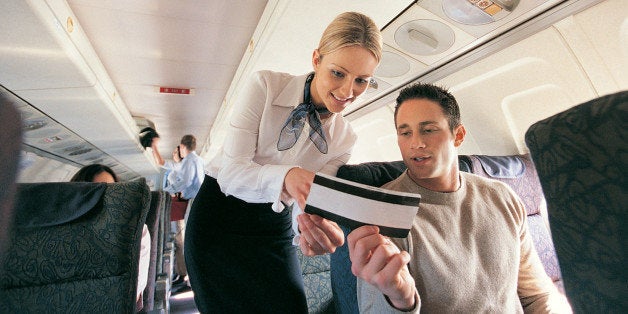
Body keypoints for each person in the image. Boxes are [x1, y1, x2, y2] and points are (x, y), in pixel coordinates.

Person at [185, 11, 383, 313]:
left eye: (361, 81)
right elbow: (231, 173)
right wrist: (288, 175)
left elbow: (307, 202)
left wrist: (311, 227)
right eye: (338, 73)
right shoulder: (265, 86)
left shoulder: (345, 138)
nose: (347, 92)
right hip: (219, 221)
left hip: (273, 230)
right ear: (316, 59)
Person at [347, 83, 572, 313]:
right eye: (405, 133)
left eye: (428, 129)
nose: (416, 143)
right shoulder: (385, 213)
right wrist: (401, 303)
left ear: (459, 135)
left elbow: (537, 295)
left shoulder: (502, 197)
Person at [70, 164, 151, 305]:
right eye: (98, 191)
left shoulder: (136, 231)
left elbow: (133, 292)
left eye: (111, 191)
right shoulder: (63, 231)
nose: (106, 198)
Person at [150, 134, 204, 290]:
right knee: (190, 239)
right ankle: (190, 278)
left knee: (188, 240)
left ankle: (190, 279)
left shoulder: (189, 161)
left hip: (192, 201)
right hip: (194, 201)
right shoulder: (198, 160)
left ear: (182, 147)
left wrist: (167, 192)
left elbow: (186, 182)